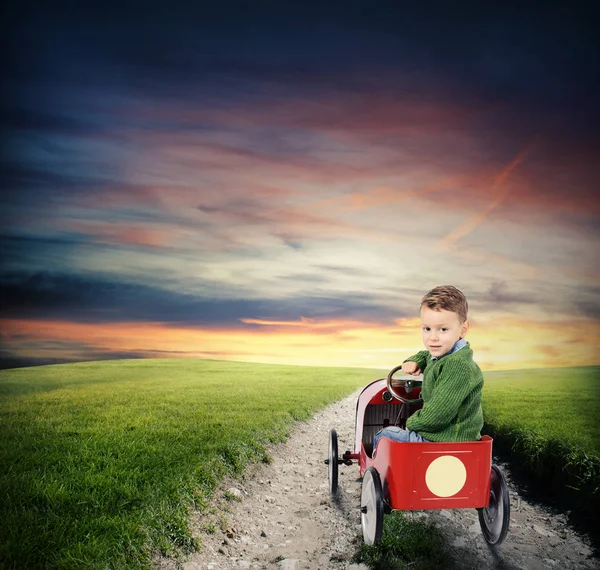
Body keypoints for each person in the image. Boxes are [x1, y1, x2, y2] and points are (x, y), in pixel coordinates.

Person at [373, 285, 484, 450]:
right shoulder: (449, 355)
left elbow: (437, 416)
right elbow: (427, 356)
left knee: (385, 434)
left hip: (444, 441)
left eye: (443, 329)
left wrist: (411, 423)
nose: (433, 338)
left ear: (463, 329)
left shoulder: (457, 366)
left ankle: (382, 471)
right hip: (452, 437)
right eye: (427, 329)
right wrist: (416, 361)